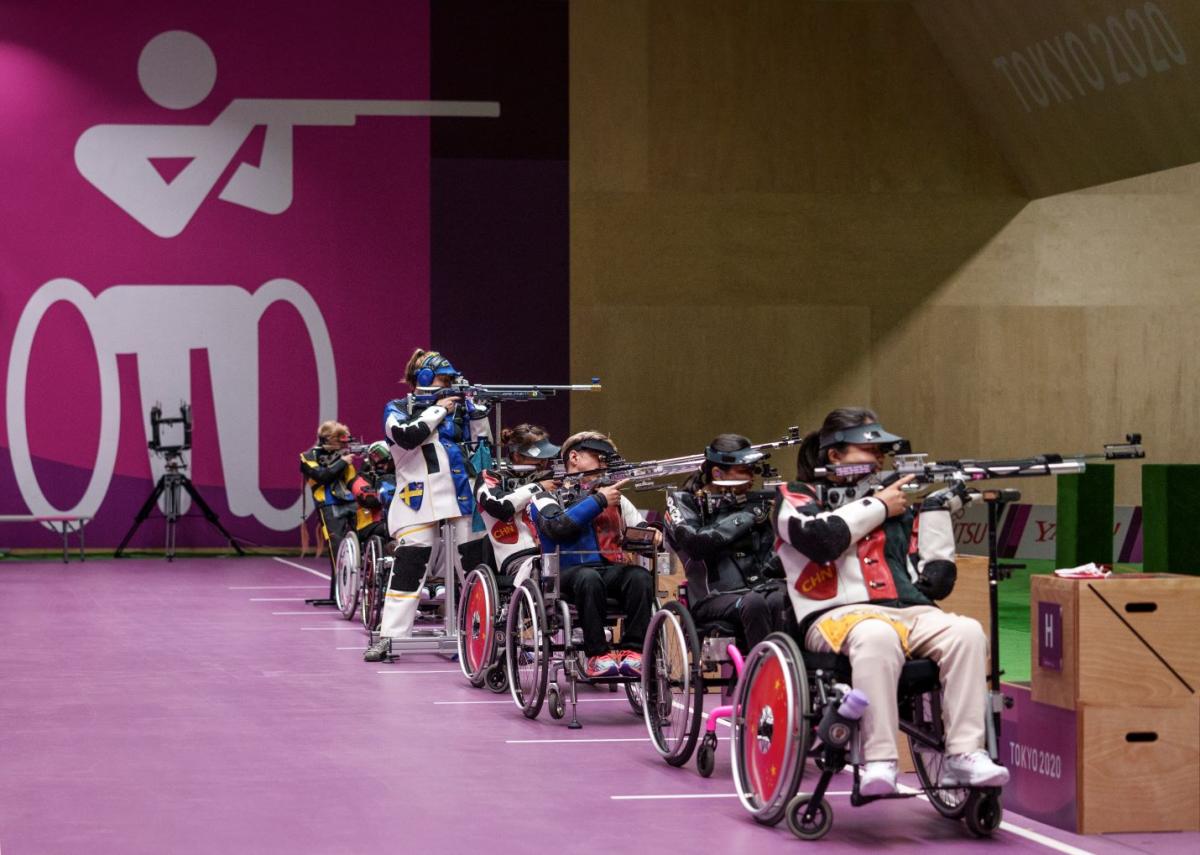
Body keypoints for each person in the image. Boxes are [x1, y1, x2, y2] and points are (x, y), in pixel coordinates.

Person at [774, 407, 1009, 796]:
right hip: (835, 617)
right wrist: (880, 505)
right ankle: (879, 760)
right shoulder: (796, 496)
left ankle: (965, 754)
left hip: (909, 610)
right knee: (875, 634)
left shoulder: (902, 501)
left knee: (967, 632)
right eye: (870, 450)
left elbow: (934, 580)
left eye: (883, 452)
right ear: (834, 455)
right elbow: (821, 540)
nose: (880, 459)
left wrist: (934, 513)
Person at [364, 349, 492, 662]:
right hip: (416, 498)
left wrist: (477, 412)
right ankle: (390, 637)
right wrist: (438, 410)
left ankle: (481, 637)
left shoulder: (458, 411)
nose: (448, 385)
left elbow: (483, 446)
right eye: (443, 379)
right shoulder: (397, 408)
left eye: (451, 380)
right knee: (408, 569)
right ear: (423, 379)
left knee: (474, 571)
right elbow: (407, 437)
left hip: (461, 497)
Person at [530, 431, 657, 679]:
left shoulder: (614, 498)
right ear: (574, 457)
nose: (604, 465)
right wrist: (599, 500)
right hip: (564, 574)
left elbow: (640, 528)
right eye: (599, 457)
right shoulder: (545, 496)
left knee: (640, 577)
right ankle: (597, 655)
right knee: (589, 578)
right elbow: (558, 527)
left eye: (607, 460)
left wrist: (655, 533)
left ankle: (634, 652)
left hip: (609, 570)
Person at [664, 434, 787, 651]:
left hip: (757, 588)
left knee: (782, 598)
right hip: (710, 597)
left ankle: (790, 671)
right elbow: (696, 544)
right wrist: (747, 516)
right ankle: (761, 674)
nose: (751, 478)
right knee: (755, 602)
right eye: (744, 470)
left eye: (752, 470)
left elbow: (769, 560)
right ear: (718, 473)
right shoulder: (684, 502)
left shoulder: (752, 503)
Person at [474, 424, 559, 581]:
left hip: (554, 552)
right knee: (538, 573)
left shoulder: (551, 477)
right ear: (517, 455)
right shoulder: (491, 476)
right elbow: (499, 506)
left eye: (545, 457)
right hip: (517, 557)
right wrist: (538, 487)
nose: (543, 462)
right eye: (538, 457)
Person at [300, 420, 359, 600]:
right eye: (340, 441)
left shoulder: (342, 456)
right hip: (328, 504)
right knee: (337, 549)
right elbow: (322, 476)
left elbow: (352, 481)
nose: (344, 445)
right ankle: (339, 594)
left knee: (361, 543)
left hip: (351, 502)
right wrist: (342, 462)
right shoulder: (308, 456)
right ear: (329, 439)